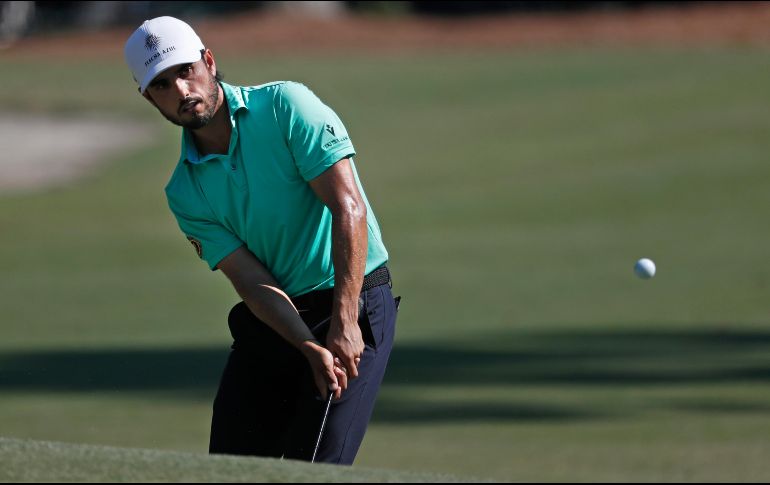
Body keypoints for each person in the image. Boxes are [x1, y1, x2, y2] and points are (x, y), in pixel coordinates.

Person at [123, 16, 398, 465]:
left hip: (352, 298)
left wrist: (343, 322)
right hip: (277, 319)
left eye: (185, 71)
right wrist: (304, 344)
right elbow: (251, 281)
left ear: (209, 61)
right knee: (231, 467)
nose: (181, 91)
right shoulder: (184, 191)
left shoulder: (287, 105)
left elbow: (348, 208)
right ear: (147, 97)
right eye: (161, 84)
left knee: (313, 468)